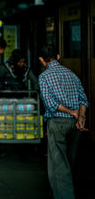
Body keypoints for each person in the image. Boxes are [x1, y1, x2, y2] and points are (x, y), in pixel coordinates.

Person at [38, 45, 88, 198]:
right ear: (58, 57)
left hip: (57, 123)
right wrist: (80, 117)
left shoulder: (44, 77)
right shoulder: (72, 74)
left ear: (41, 60)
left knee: (59, 166)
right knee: (69, 162)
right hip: (75, 125)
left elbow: (50, 104)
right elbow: (83, 99)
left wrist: (71, 111)